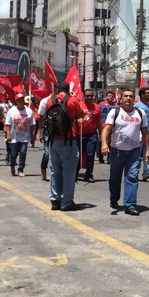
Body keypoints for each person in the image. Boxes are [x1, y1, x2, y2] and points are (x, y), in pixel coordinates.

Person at [101, 88, 149, 216]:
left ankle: (130, 205)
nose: (128, 98)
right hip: (117, 150)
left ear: (134, 99)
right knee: (115, 177)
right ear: (121, 99)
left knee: (132, 177)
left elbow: (145, 133)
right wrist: (104, 144)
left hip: (134, 151)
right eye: (125, 96)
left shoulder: (140, 113)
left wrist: (148, 150)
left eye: (130, 96)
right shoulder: (114, 112)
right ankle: (114, 198)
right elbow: (106, 129)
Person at [47, 81, 84, 211]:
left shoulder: (50, 100)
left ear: (57, 89)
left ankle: (55, 200)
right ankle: (67, 202)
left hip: (53, 141)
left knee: (54, 171)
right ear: (68, 89)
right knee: (69, 172)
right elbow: (81, 115)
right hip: (69, 140)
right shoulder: (73, 100)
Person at [4, 93, 36, 177]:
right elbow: (7, 124)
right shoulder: (11, 111)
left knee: (23, 153)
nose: (21, 102)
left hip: (24, 137)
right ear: (16, 102)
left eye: (22, 100)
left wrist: (33, 135)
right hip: (14, 137)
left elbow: (33, 124)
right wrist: (8, 134)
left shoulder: (29, 111)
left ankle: (20, 169)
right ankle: (12, 165)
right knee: (14, 154)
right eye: (19, 101)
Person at [78, 88, 103, 182]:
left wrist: (101, 135)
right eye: (87, 96)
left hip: (91, 135)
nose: (89, 97)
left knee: (90, 155)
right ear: (84, 96)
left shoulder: (97, 107)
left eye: (91, 96)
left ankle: (89, 174)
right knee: (78, 155)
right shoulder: (79, 105)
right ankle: (75, 173)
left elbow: (99, 122)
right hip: (80, 135)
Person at [134, 87, 149, 182]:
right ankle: (134, 173)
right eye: (147, 93)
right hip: (138, 133)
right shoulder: (136, 106)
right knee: (136, 155)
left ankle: (147, 174)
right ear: (142, 95)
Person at [97, 90, 118, 163]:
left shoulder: (116, 106)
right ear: (106, 96)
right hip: (102, 125)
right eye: (109, 96)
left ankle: (109, 157)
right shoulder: (101, 104)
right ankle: (100, 157)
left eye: (112, 96)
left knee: (111, 142)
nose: (111, 97)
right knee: (102, 141)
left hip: (112, 126)